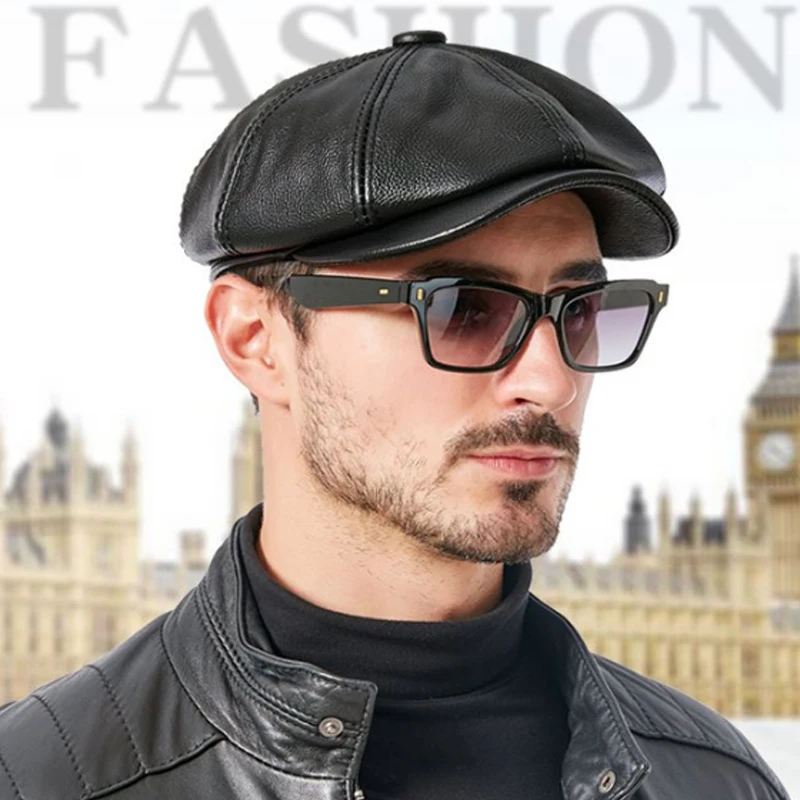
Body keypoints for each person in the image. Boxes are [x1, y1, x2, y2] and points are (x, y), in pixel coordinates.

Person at [0, 30, 790, 800]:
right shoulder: (38, 776)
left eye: (579, 311)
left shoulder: (718, 779)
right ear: (254, 339)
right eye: (460, 308)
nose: (550, 380)